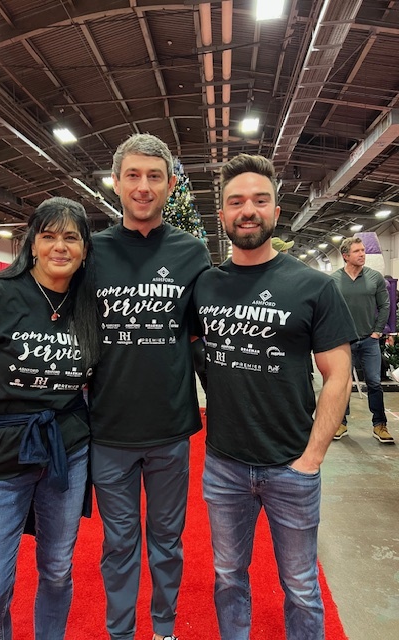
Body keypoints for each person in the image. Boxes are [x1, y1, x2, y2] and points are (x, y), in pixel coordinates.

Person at [193, 153, 357, 640]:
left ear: (276, 211)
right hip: (224, 465)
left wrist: (312, 458)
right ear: (222, 214)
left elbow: (338, 375)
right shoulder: (205, 285)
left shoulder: (313, 286)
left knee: (301, 585)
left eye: (260, 200)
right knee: (228, 576)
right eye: (236, 201)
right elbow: (178, 349)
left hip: (291, 465)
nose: (248, 210)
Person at [0, 197, 100, 639]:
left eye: (71, 237)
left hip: (66, 453)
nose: (59, 246)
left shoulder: (90, 305)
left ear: (85, 249)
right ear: (32, 243)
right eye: (48, 236)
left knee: (57, 570)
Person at [89, 133, 211, 640]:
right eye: (133, 175)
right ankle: (121, 632)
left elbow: (205, 334)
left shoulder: (192, 252)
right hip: (108, 429)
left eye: (154, 176)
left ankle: (164, 628)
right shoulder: (92, 251)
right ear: (115, 183)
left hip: (170, 428)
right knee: (118, 544)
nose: (143, 186)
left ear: (170, 185)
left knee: (167, 540)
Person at [330, 237, 394, 443]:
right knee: (342, 384)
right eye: (357, 251)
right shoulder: (334, 280)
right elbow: (327, 309)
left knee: (374, 383)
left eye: (363, 250)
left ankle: (380, 425)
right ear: (345, 256)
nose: (362, 254)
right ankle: (341, 423)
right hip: (343, 342)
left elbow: (385, 305)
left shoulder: (374, 277)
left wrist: (377, 332)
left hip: (369, 340)